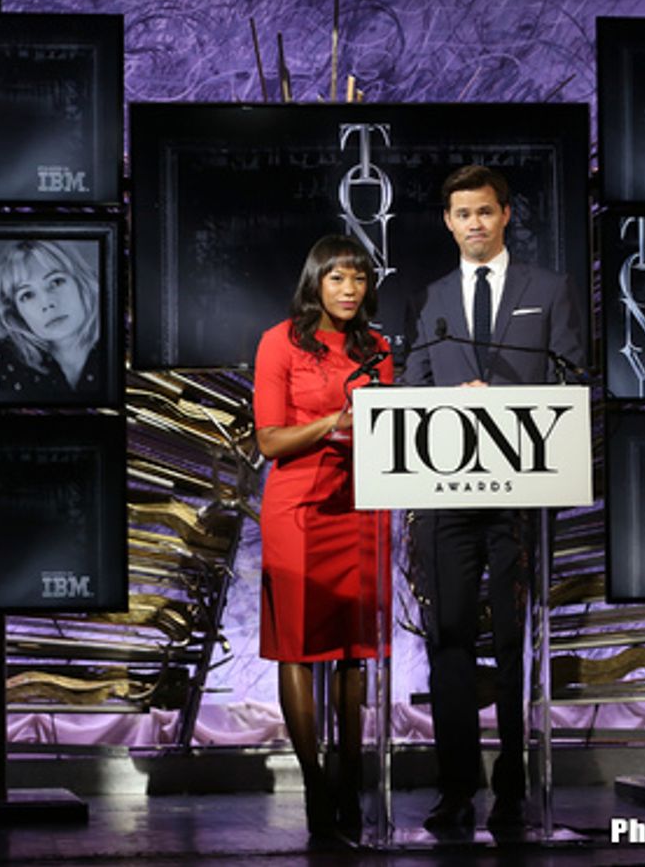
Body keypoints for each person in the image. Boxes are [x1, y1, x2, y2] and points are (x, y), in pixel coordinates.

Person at [402, 165, 585, 832]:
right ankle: (456, 787)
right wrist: (445, 400)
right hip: (446, 494)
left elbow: (572, 375)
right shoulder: (433, 298)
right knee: (447, 638)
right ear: (448, 222)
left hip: (521, 492)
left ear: (506, 214)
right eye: (462, 213)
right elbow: (411, 387)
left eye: (485, 211)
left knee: (513, 641)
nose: (474, 223)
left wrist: (507, 402)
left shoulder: (550, 289)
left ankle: (513, 783)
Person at [252, 234, 393, 840]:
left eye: (359, 278)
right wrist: (330, 425)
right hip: (300, 507)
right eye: (337, 278)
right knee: (299, 649)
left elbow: (388, 427)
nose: (349, 290)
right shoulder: (279, 342)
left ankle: (350, 779)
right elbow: (270, 441)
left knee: (354, 650)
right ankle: (313, 783)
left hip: (362, 505)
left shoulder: (377, 348)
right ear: (316, 281)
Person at [0, 239, 102, 394]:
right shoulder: (7, 357)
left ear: (81, 284)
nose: (47, 304)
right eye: (27, 295)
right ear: (17, 312)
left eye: (56, 282)